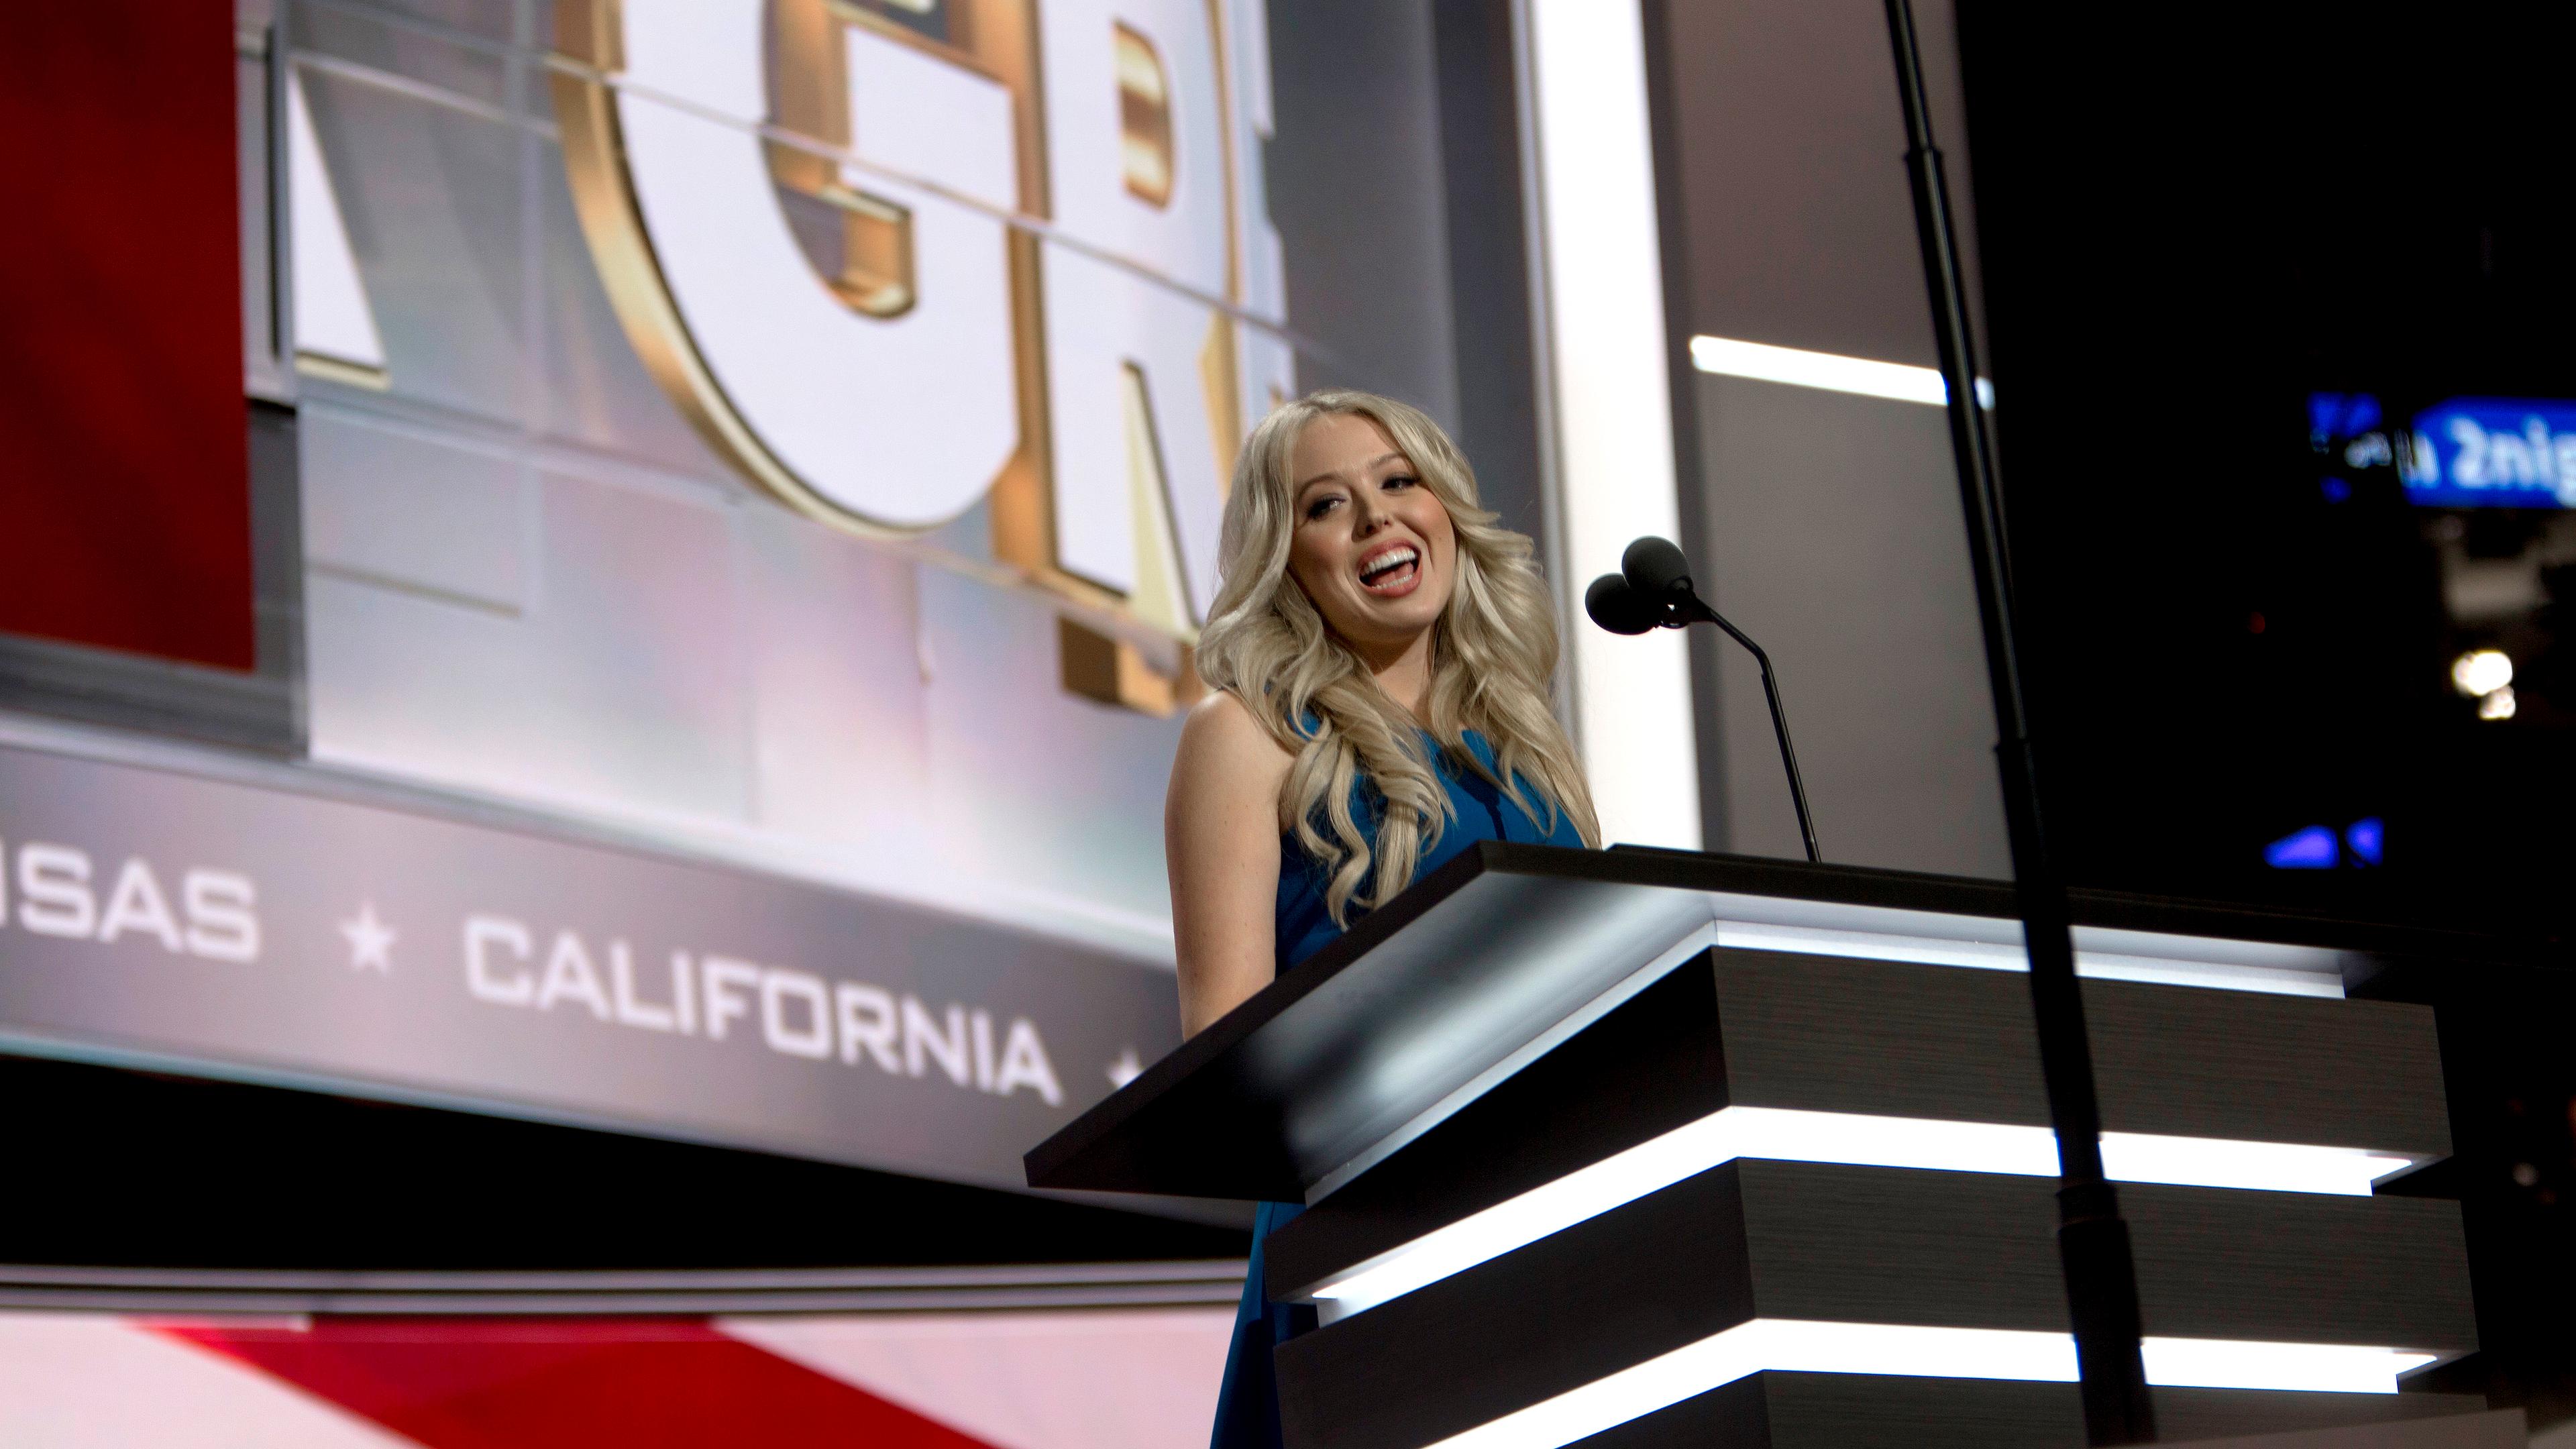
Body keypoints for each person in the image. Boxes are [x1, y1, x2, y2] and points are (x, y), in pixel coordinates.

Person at [1167, 388, 1599, 1449]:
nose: (1377, 519)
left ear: (1447, 507)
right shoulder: (1246, 737)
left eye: (1399, 482)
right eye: (1327, 504)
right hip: (1369, 1223)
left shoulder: (1528, 743)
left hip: (1554, 1210)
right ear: (1288, 558)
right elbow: (1223, 1051)